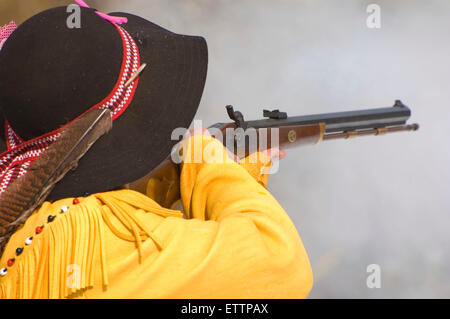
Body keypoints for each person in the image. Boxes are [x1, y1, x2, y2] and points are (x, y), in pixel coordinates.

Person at [0, 3, 312, 299]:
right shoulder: (87, 235)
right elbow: (280, 262)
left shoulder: (29, 215)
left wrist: (183, 179)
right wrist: (212, 168)